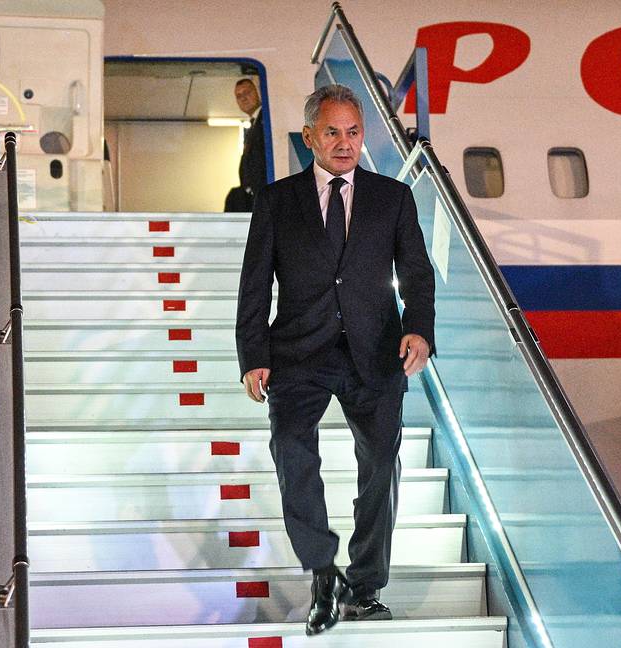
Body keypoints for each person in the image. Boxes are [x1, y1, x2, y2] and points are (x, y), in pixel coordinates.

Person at [235, 84, 435, 635]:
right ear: (309, 137)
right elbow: (254, 286)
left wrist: (418, 329)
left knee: (380, 466)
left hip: (376, 353)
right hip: (299, 352)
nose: (345, 143)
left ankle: (364, 588)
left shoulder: (393, 197)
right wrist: (253, 355)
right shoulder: (276, 201)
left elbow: (417, 273)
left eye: (353, 132)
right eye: (332, 132)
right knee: (291, 449)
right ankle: (323, 571)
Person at [224, 78, 268, 211]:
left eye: (247, 92)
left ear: (258, 92)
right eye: (239, 96)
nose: (243, 98)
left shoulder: (266, 119)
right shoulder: (253, 124)